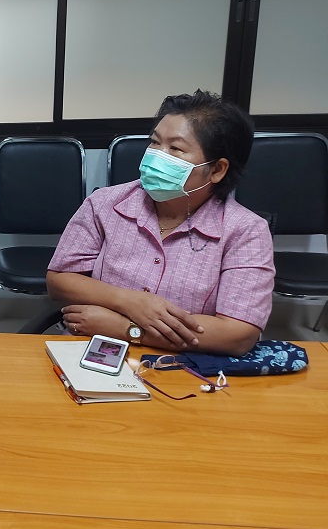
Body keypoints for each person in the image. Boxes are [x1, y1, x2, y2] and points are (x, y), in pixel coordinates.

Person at [47, 90, 274, 356]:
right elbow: (59, 280)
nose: (157, 155)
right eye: (155, 142)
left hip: (186, 366)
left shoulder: (246, 231)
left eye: (175, 148)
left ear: (216, 170)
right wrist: (130, 301)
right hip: (92, 352)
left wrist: (126, 328)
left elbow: (238, 335)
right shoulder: (105, 204)